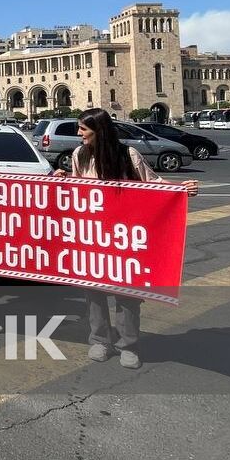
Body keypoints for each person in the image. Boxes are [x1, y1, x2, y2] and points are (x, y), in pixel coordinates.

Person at [54, 108, 198, 369]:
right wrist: (63, 180)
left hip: (125, 234)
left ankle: (128, 345)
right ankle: (99, 339)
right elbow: (77, 189)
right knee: (94, 291)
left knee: (128, 293)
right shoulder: (79, 155)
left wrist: (181, 189)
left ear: (100, 131)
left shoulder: (128, 155)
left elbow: (153, 183)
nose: (79, 134)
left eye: (83, 129)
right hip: (92, 234)